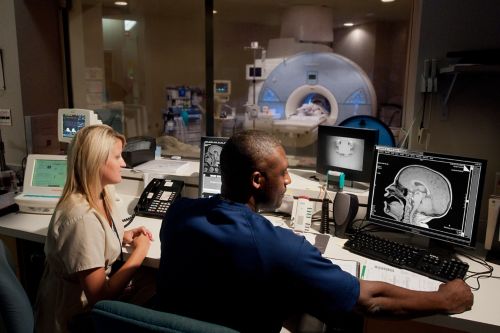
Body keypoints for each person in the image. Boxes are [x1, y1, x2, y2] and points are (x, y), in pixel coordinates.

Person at [156, 130, 473, 333]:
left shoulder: (178, 213)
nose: (289, 181)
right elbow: (370, 301)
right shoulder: (279, 246)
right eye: (283, 173)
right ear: (257, 180)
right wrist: (444, 299)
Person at [35, 125, 154, 333]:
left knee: (154, 284)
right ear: (96, 162)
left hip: (89, 301)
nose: (123, 163)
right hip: (74, 318)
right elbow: (100, 296)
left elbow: (99, 232)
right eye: (117, 157)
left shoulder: (103, 192)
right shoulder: (81, 218)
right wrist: (141, 251)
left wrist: (121, 235)